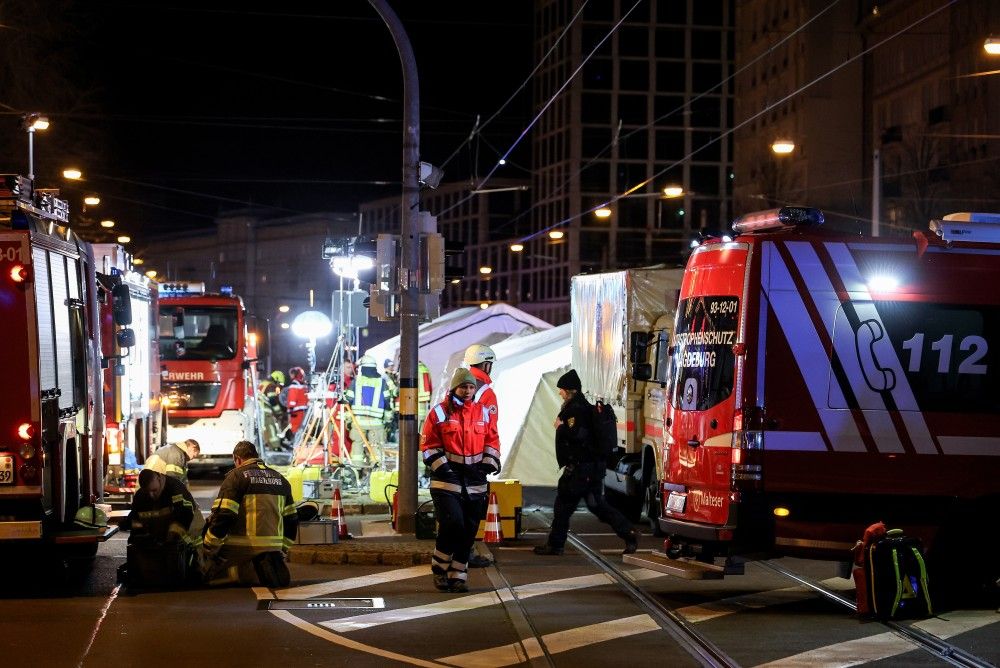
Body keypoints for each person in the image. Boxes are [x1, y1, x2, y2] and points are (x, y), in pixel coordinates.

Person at [534, 369, 639, 556]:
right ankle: (628, 532)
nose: (560, 393)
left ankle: (555, 545)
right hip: (593, 469)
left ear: (569, 391)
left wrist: (561, 427)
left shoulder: (575, 409)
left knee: (563, 505)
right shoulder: (584, 406)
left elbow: (578, 434)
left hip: (580, 471)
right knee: (597, 506)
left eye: (562, 390)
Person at [421, 368, 500, 593]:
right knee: (452, 523)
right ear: (454, 387)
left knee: (468, 529)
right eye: (463, 386)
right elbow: (428, 446)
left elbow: (493, 440)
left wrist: (488, 463)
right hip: (446, 479)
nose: (467, 391)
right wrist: (444, 468)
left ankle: (458, 575)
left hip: (475, 479)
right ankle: (439, 569)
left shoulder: (483, 412)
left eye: (471, 387)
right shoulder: (438, 413)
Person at [201, 440, 298, 588]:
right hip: (274, 548)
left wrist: (209, 545)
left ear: (237, 459)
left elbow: (224, 515)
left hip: (241, 547)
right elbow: (292, 519)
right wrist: (282, 549)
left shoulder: (236, 477)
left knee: (204, 576)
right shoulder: (281, 479)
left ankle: (239, 573)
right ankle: (264, 568)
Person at [120, 463, 200, 587]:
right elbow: (136, 519)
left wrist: (170, 538)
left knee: (185, 550)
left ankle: (192, 569)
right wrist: (137, 535)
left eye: (154, 490)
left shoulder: (175, 489)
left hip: (189, 528)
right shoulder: (141, 495)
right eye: (148, 491)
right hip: (164, 530)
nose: (151, 495)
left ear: (158, 478)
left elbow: (183, 516)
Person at [463, 344, 498, 568]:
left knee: (456, 507)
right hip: (476, 458)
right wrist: (492, 458)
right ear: (486, 364)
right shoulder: (486, 392)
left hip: (455, 457)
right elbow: (490, 429)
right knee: (473, 507)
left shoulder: (458, 386)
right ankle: (466, 552)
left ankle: (455, 551)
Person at [344, 355, 393, 466]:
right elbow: (387, 401)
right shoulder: (382, 382)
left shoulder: (356, 381)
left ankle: (357, 470)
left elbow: (348, 400)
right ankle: (376, 472)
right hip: (376, 423)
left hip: (358, 422)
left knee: (357, 445)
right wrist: (388, 417)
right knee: (376, 446)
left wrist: (347, 418)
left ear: (362, 368)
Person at [279, 366, 309, 435]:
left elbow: (292, 399)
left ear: (294, 374)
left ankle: (296, 443)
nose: (290, 376)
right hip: (303, 410)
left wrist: (291, 410)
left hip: (295, 411)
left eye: (291, 374)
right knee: (302, 428)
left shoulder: (294, 385)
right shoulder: (303, 385)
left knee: (295, 428)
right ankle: (300, 442)